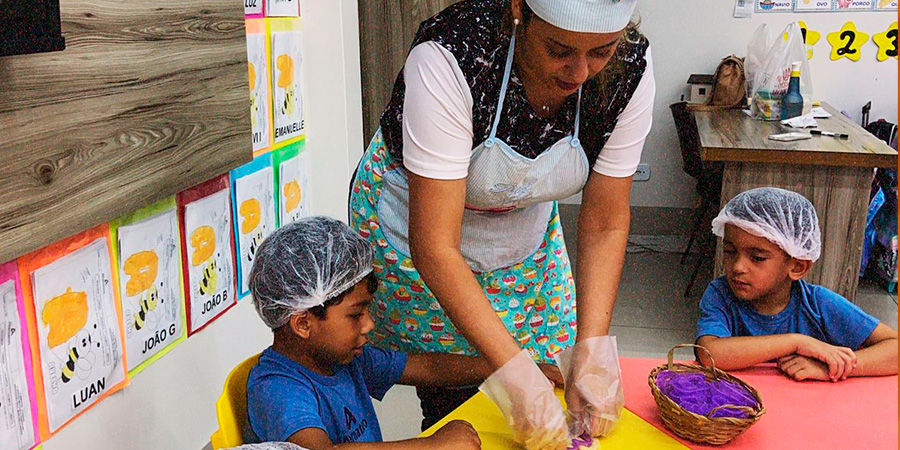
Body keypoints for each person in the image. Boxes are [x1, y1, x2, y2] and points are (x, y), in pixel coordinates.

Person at [349, 0, 652, 443]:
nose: (580, 71)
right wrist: (514, 374)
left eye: (600, 52)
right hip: (420, 231)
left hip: (521, 233)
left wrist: (591, 349)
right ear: (519, 10)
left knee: (548, 373)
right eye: (559, 49)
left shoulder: (629, 69)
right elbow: (435, 245)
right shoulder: (455, 53)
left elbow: (605, 220)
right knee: (456, 391)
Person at [245, 217, 561, 449]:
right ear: (303, 324)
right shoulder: (280, 390)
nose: (369, 325)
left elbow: (424, 367)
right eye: (356, 315)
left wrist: (511, 366)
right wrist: (431, 447)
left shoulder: (342, 358)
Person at [696, 188, 898, 381]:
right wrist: (797, 342)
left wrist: (832, 367)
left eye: (757, 257)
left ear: (797, 267)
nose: (738, 266)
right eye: (730, 252)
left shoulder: (819, 304)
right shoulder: (721, 294)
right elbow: (709, 354)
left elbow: (894, 347)